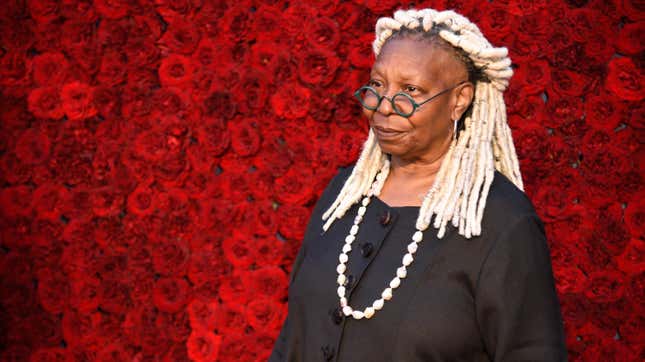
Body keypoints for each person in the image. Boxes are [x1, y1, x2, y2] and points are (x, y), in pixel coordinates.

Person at [269, 8, 567, 362]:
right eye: (377, 85)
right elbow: (295, 338)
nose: (383, 107)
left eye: (410, 90)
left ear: (460, 99)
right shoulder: (344, 193)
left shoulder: (501, 222)